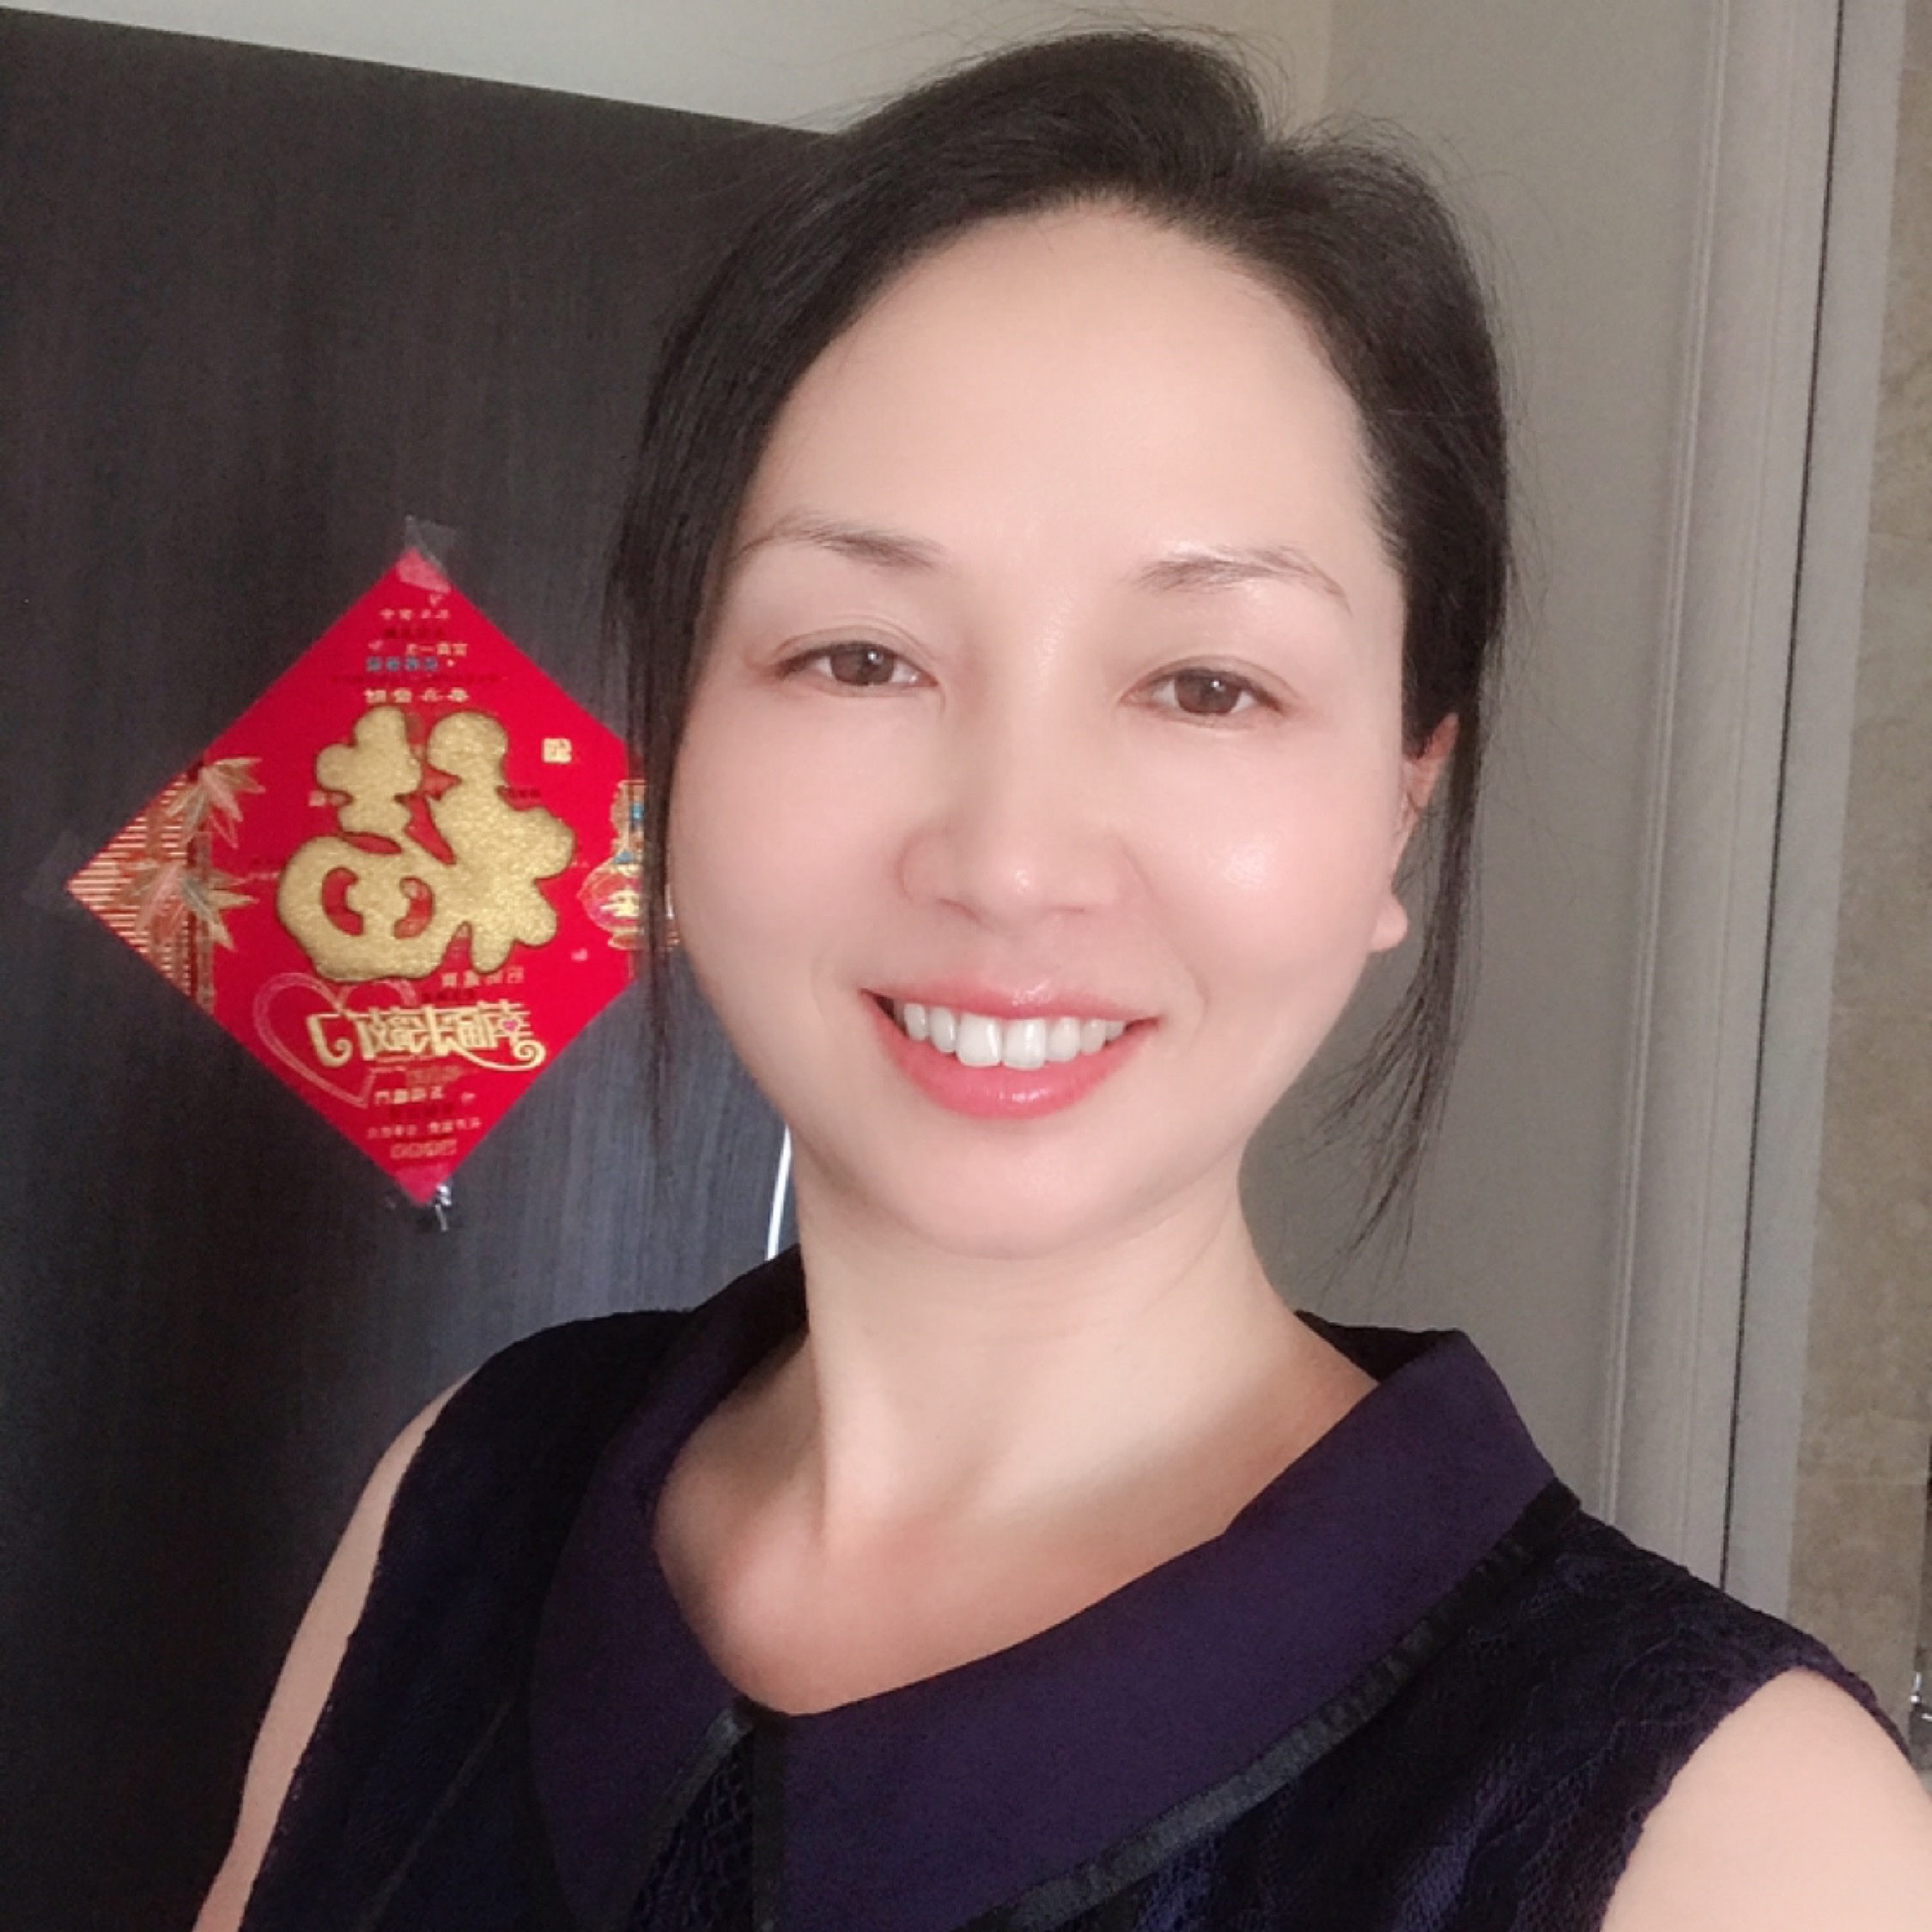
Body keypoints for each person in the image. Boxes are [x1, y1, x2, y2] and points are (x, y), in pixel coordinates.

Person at [195, 32, 1932, 1932]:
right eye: (859, 656)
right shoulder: (472, 1492)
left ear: (1401, 801)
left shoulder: (1735, 1836)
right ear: (677, 737)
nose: (1011, 857)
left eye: (1206, 685)